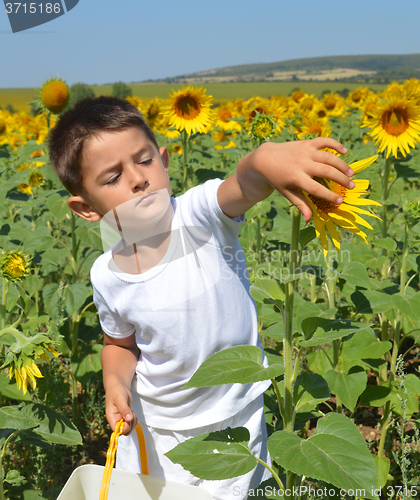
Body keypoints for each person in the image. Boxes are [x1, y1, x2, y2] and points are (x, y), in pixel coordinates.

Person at [47, 96, 354, 500]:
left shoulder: (198, 217)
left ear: (165, 160)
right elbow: (119, 343)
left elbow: (244, 183)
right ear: (86, 208)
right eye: (112, 178)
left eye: (143, 161)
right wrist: (114, 380)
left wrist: (264, 159)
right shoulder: (107, 274)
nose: (138, 179)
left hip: (233, 421)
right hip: (155, 431)